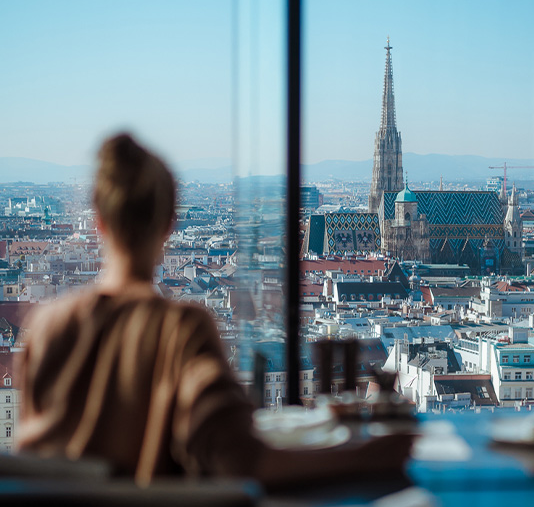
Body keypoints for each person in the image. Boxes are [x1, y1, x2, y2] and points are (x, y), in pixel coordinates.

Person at [17, 133, 412, 487]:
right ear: (169, 225)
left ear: (99, 222)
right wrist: (371, 455)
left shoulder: (47, 327)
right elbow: (243, 459)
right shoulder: (179, 328)